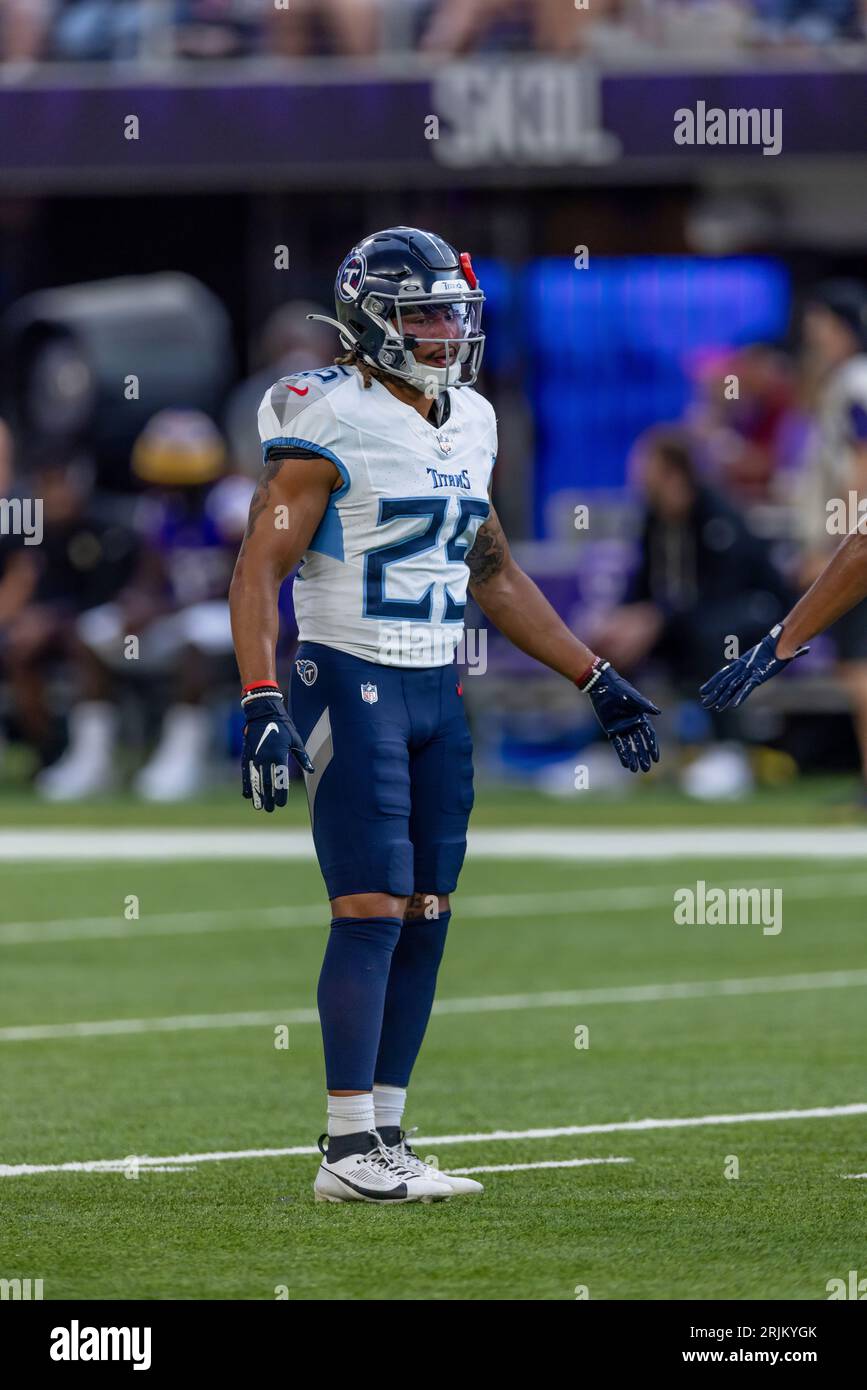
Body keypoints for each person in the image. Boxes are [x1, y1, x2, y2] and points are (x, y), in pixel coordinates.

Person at [229, 226, 661, 1204]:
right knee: (371, 907)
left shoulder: (470, 418)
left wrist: (592, 675)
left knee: (428, 911)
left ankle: (386, 1130)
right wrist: (260, 694)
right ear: (369, 317)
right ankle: (345, 1149)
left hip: (437, 682)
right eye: (422, 311)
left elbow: (493, 571)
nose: (443, 329)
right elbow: (261, 562)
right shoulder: (322, 412)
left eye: (451, 311)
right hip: (350, 669)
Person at [701, 285, 867, 751]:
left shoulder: (853, 380)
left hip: (851, 540)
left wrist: (836, 547)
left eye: (821, 331)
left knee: (859, 666)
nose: (814, 343)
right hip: (849, 538)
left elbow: (862, 465)